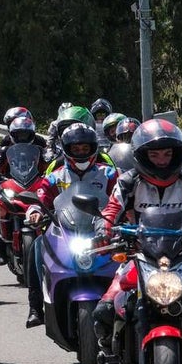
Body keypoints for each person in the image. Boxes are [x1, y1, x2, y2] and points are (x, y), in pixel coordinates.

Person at [91, 119, 182, 364]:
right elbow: (110, 210)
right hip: (140, 256)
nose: (161, 160)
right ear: (142, 155)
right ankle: (113, 363)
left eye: (167, 153)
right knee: (105, 309)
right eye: (154, 154)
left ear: (177, 153)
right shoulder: (128, 182)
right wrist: (103, 230)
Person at [24, 123, 117, 328]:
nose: (81, 153)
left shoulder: (109, 174)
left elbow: (122, 199)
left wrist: (125, 216)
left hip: (102, 232)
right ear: (67, 150)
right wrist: (35, 212)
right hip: (66, 233)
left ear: (93, 148)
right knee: (37, 246)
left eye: (85, 149)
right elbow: (41, 198)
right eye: (76, 149)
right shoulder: (54, 176)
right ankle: (35, 307)